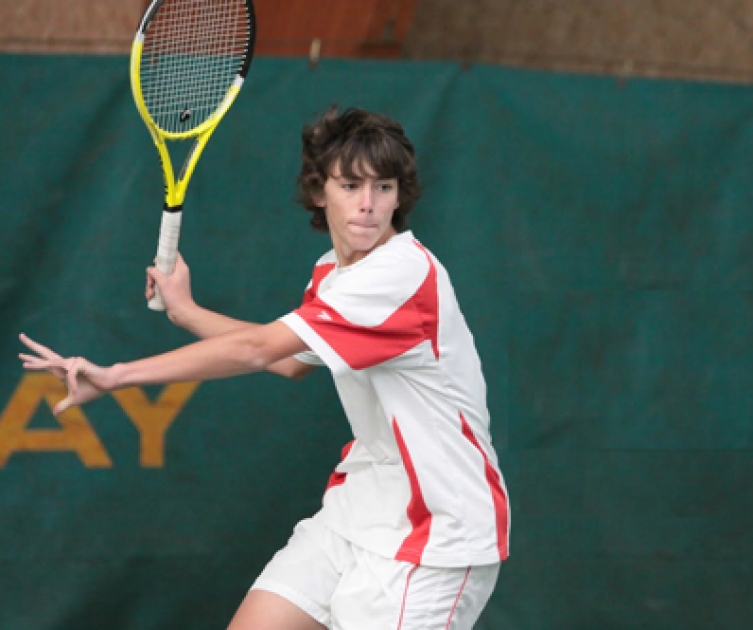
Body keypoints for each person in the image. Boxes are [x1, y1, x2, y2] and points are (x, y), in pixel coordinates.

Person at [19, 106, 509, 630]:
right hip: (359, 509)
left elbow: (257, 349)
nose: (368, 206)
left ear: (399, 195)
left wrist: (116, 375)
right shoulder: (334, 271)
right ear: (320, 191)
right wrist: (188, 313)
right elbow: (291, 362)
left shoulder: (399, 273)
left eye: (383, 187)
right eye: (350, 185)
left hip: (436, 535)